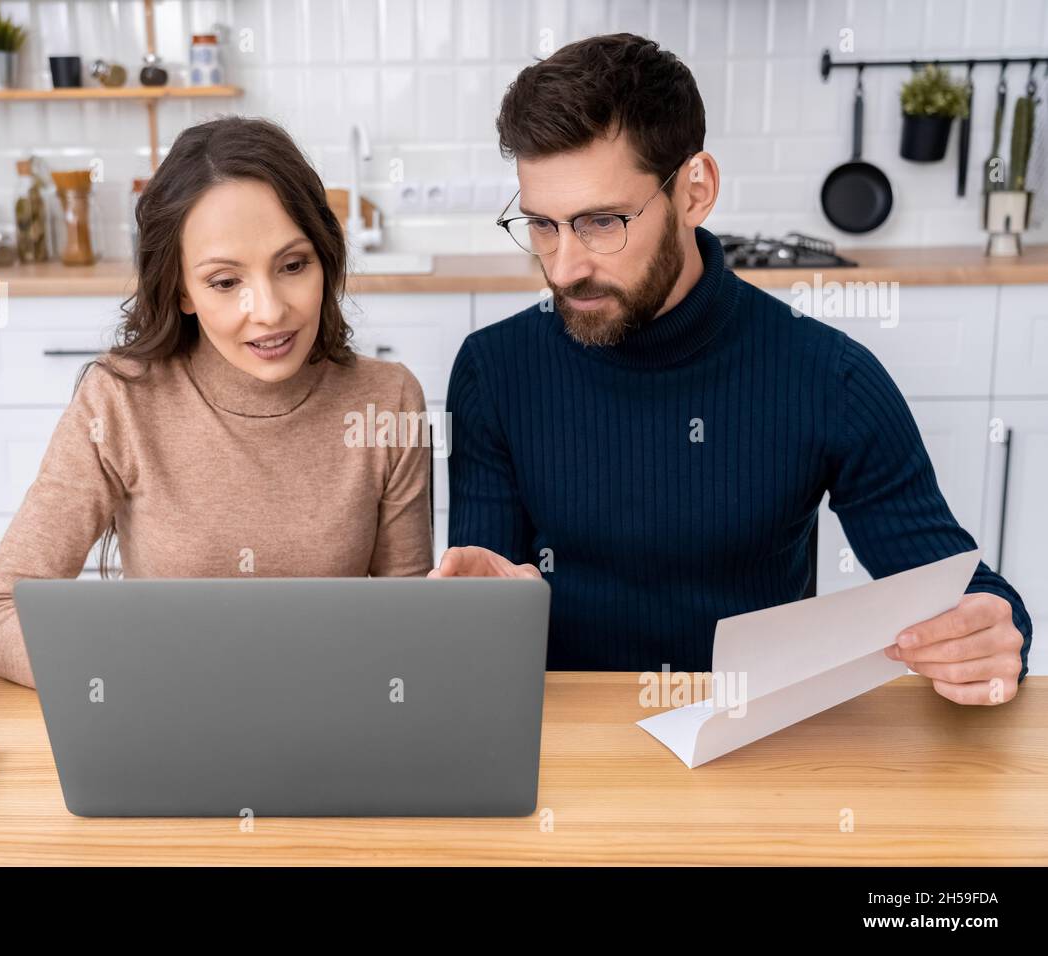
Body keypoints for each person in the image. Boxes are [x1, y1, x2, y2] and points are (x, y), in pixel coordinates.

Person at [431, 33, 1032, 706]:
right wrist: (475, 615)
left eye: (601, 222)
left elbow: (962, 591)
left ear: (695, 191)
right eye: (543, 225)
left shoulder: (830, 379)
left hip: (753, 741)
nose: (564, 267)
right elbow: (486, 605)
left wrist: (989, 630)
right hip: (563, 746)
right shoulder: (494, 372)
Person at [0, 117, 433, 688]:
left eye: (292, 265)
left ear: (326, 259)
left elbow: (408, 629)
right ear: (182, 288)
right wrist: (135, 673)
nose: (268, 310)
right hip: (165, 724)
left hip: (331, 730)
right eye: (224, 282)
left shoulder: (388, 402)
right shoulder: (119, 402)